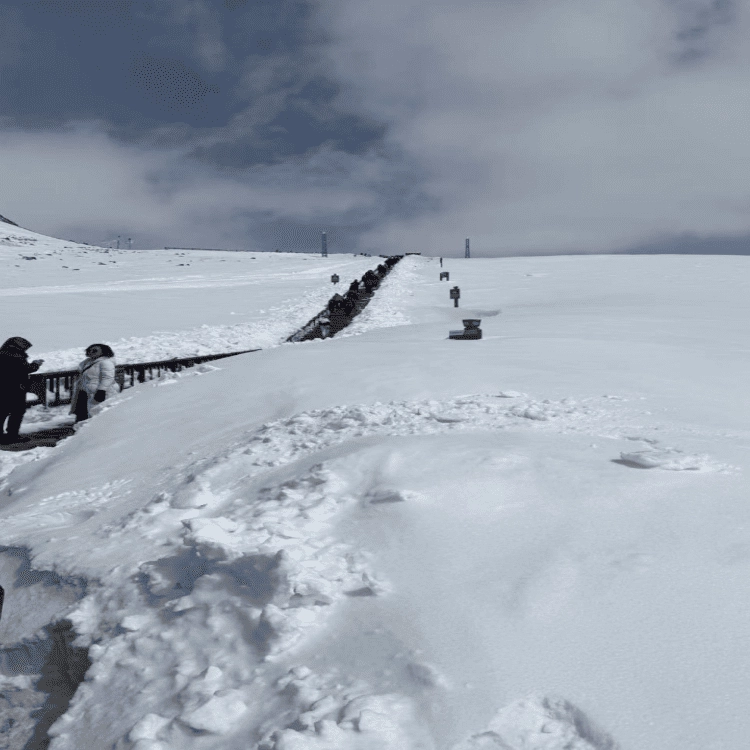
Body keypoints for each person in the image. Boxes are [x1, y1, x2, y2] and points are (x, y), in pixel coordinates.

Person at [0, 337, 44, 444]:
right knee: (17, 412)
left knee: (3, 412)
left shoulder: (3, 354)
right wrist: (36, 364)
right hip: (16, 389)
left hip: (3, 389)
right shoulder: (16, 356)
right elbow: (25, 369)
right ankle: (12, 436)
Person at [70, 344, 119, 423]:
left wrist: (101, 390)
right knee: (82, 416)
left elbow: (108, 377)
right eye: (89, 350)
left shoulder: (106, 362)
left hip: (98, 393)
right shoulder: (87, 363)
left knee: (97, 415)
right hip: (84, 393)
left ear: (103, 352)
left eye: (95, 350)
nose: (91, 352)